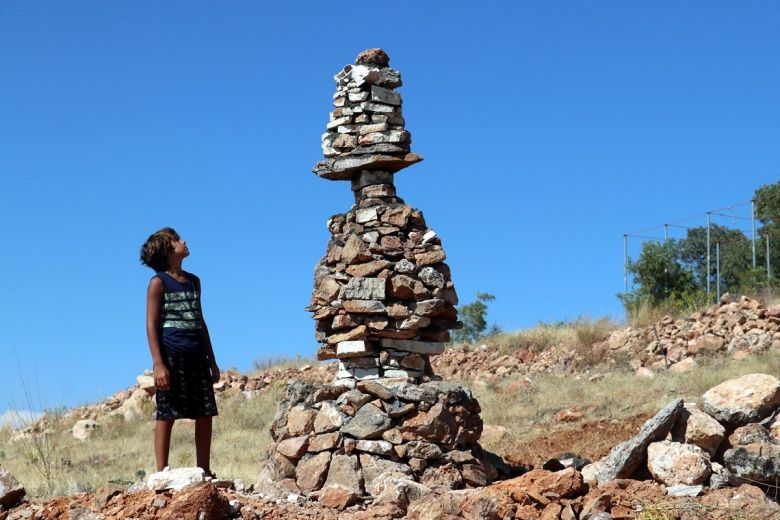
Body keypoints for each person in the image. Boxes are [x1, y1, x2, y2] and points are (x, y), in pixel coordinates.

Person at [140, 227, 220, 478]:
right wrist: (158, 363)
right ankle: (161, 471)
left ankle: (204, 470)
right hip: (172, 355)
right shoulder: (158, 283)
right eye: (176, 240)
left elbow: (200, 321)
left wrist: (212, 360)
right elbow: (151, 325)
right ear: (167, 250)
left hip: (196, 355)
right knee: (167, 412)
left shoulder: (195, 281)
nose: (183, 241)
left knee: (205, 412)